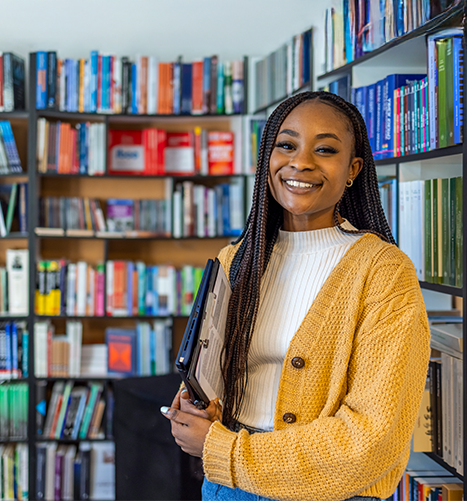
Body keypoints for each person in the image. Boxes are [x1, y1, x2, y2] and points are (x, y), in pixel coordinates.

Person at [160, 91, 432, 501]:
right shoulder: (236, 260)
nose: (301, 162)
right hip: (226, 488)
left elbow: (375, 438)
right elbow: (223, 376)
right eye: (286, 145)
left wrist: (223, 450)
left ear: (353, 169)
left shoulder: (384, 271)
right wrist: (202, 408)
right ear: (266, 157)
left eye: (324, 150)